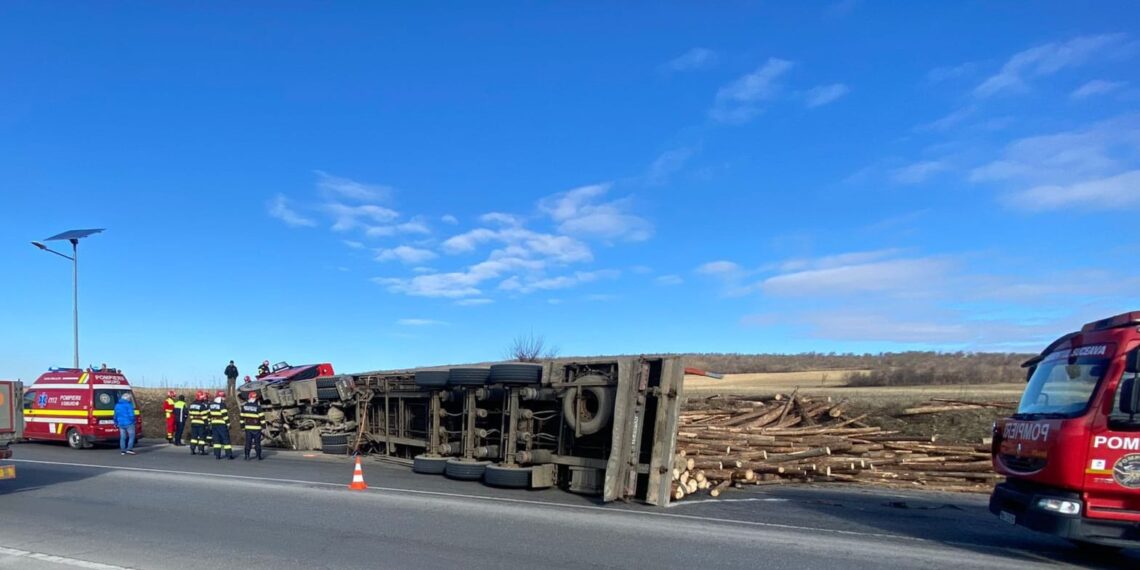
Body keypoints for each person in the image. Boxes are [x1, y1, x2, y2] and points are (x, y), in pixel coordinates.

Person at [208, 390, 235, 460]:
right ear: (221, 397)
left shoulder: (211, 404)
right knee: (226, 439)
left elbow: (209, 415)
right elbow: (225, 415)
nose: (224, 399)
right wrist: (228, 424)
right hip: (221, 424)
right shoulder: (222, 405)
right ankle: (229, 455)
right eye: (223, 397)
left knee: (216, 440)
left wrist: (209, 423)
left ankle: (217, 455)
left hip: (214, 424)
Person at [239, 391, 266, 460]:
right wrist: (264, 427)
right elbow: (262, 418)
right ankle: (258, 456)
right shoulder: (258, 407)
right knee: (257, 443)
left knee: (248, 442)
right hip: (257, 428)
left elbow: (241, 418)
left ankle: (247, 456)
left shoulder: (244, 407)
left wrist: (242, 427)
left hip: (248, 428)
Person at [188, 391, 209, 455]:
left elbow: (190, 415)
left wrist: (193, 419)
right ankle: (201, 450)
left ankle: (192, 449)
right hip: (201, 423)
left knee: (194, 437)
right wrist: (206, 424)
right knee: (201, 437)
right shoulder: (202, 406)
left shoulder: (191, 405)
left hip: (193, 423)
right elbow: (205, 416)